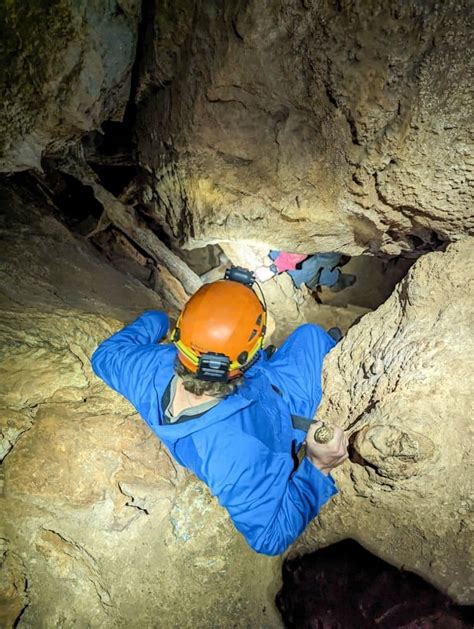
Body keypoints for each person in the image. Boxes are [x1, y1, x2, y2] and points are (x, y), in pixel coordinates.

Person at [91, 267, 348, 556]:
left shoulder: (146, 368)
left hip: (254, 380)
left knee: (308, 336)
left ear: (181, 338)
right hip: (280, 408)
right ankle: (335, 348)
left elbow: (104, 356)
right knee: (312, 337)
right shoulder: (238, 450)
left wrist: (157, 321)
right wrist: (317, 466)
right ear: (246, 358)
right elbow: (270, 538)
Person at [255, 250, 356, 292]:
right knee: (312, 262)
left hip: (275, 261)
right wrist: (274, 268)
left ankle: (332, 278)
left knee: (316, 260)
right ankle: (333, 279)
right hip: (281, 271)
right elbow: (298, 254)